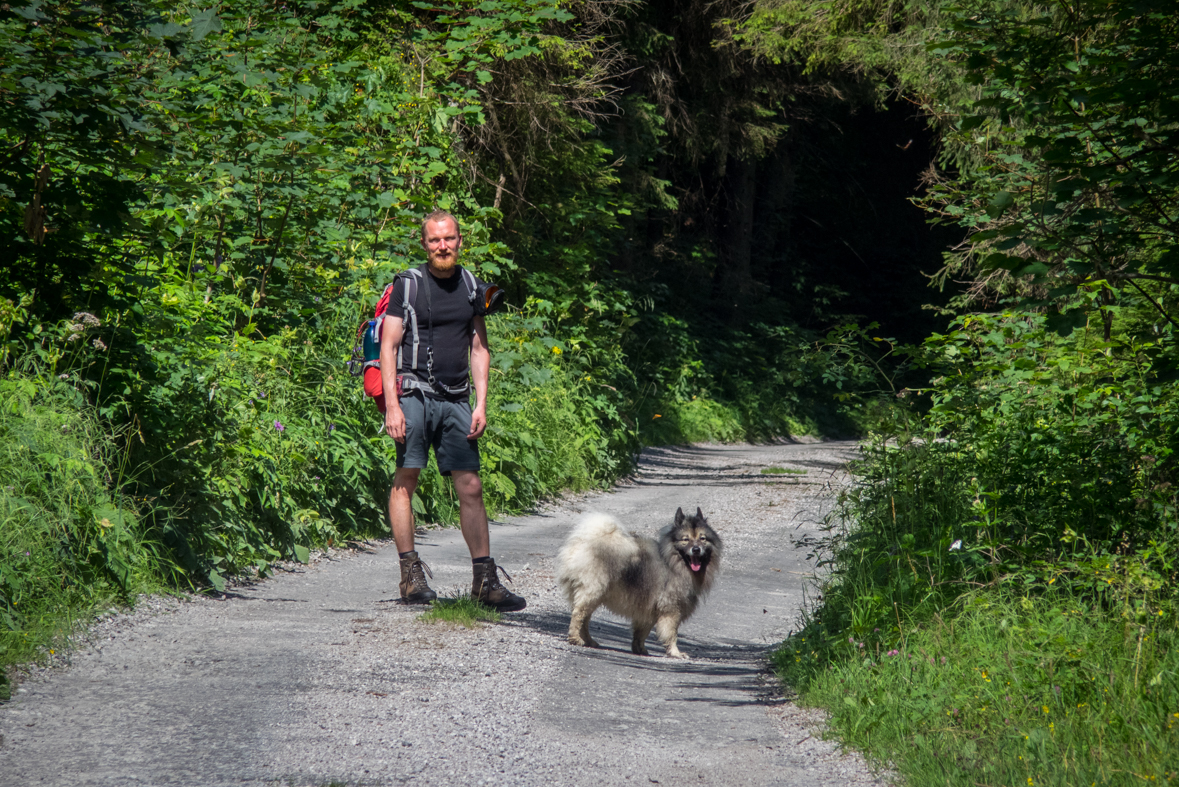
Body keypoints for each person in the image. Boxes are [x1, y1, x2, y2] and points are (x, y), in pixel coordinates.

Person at [378, 209, 526, 612]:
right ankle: (410, 576)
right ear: (424, 244)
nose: (442, 246)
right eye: (434, 240)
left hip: (457, 398)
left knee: (471, 485)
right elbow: (389, 345)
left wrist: (481, 403)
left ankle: (484, 581)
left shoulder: (471, 285)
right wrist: (392, 405)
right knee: (407, 477)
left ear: (460, 241)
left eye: (449, 239)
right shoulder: (407, 284)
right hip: (413, 394)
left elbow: (479, 347)